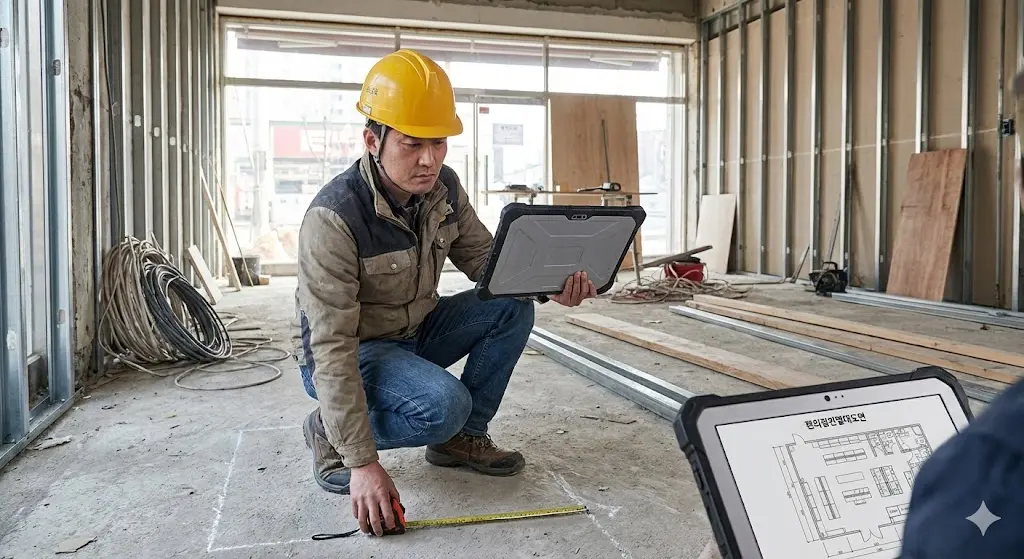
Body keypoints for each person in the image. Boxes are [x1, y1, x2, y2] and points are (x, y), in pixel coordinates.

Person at [294, 49, 598, 538]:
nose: (429, 159)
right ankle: (328, 433)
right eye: (413, 144)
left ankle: (463, 441)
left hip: (414, 330)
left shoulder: (443, 189)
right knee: (443, 405)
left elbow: (487, 264)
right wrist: (362, 462)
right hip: (354, 349)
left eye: (438, 143)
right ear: (373, 141)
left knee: (510, 306)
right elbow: (331, 349)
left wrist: (549, 285)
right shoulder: (334, 220)